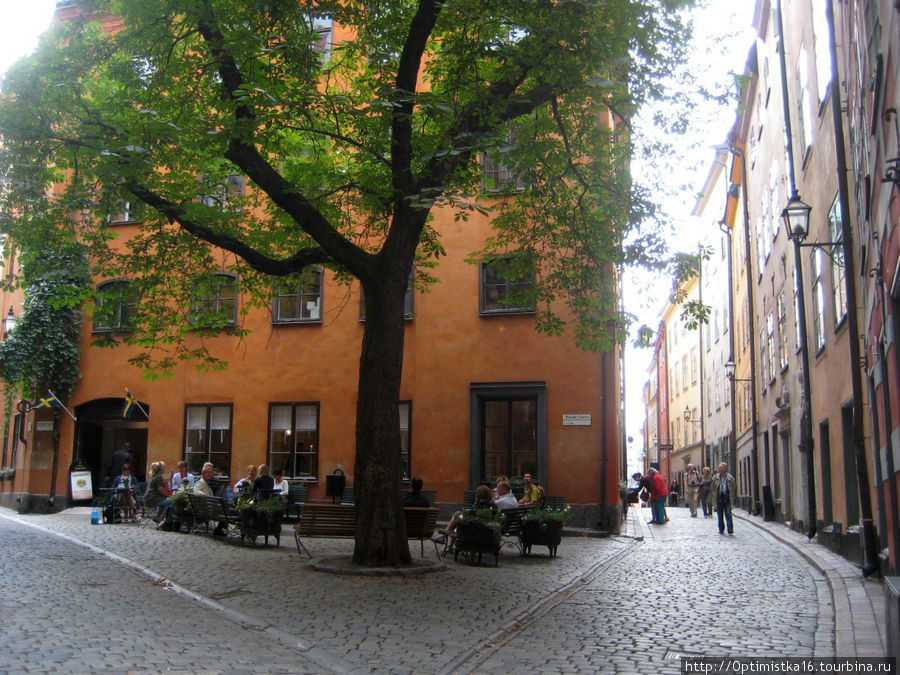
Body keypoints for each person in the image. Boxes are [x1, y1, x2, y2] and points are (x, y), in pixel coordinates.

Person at [194, 462, 227, 536]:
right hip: (207, 510)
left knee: (225, 508)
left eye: (211, 473)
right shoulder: (200, 483)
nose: (209, 474)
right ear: (202, 473)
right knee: (226, 511)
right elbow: (196, 490)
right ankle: (219, 529)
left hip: (208, 508)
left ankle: (219, 529)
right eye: (207, 473)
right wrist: (201, 494)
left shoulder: (206, 483)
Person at [711, 462, 736, 535]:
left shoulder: (730, 478)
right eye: (719, 468)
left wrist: (731, 495)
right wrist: (713, 493)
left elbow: (733, 487)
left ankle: (730, 530)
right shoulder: (715, 477)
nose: (720, 469)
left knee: (728, 514)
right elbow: (712, 487)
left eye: (721, 468)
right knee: (720, 515)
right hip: (719, 498)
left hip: (727, 497)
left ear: (725, 469)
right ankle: (721, 529)